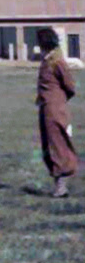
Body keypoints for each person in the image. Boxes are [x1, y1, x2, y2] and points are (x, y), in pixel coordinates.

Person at [35, 28, 77, 197]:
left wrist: (57, 101)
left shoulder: (57, 61)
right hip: (46, 108)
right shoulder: (47, 60)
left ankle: (61, 187)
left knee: (57, 145)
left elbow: (70, 86)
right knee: (48, 145)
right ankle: (59, 185)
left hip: (54, 109)